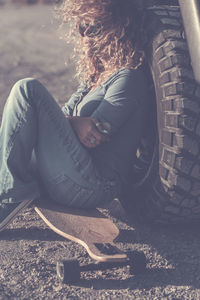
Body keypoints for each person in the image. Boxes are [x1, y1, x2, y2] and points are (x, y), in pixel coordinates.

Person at [0, 0, 150, 231]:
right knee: (10, 142)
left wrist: (70, 124)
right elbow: (60, 121)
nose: (87, 34)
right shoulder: (94, 78)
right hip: (69, 174)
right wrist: (73, 122)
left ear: (120, 28)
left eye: (95, 27)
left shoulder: (128, 79)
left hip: (93, 185)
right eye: (83, 27)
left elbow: (93, 138)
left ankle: (11, 196)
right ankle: (8, 187)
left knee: (26, 89)